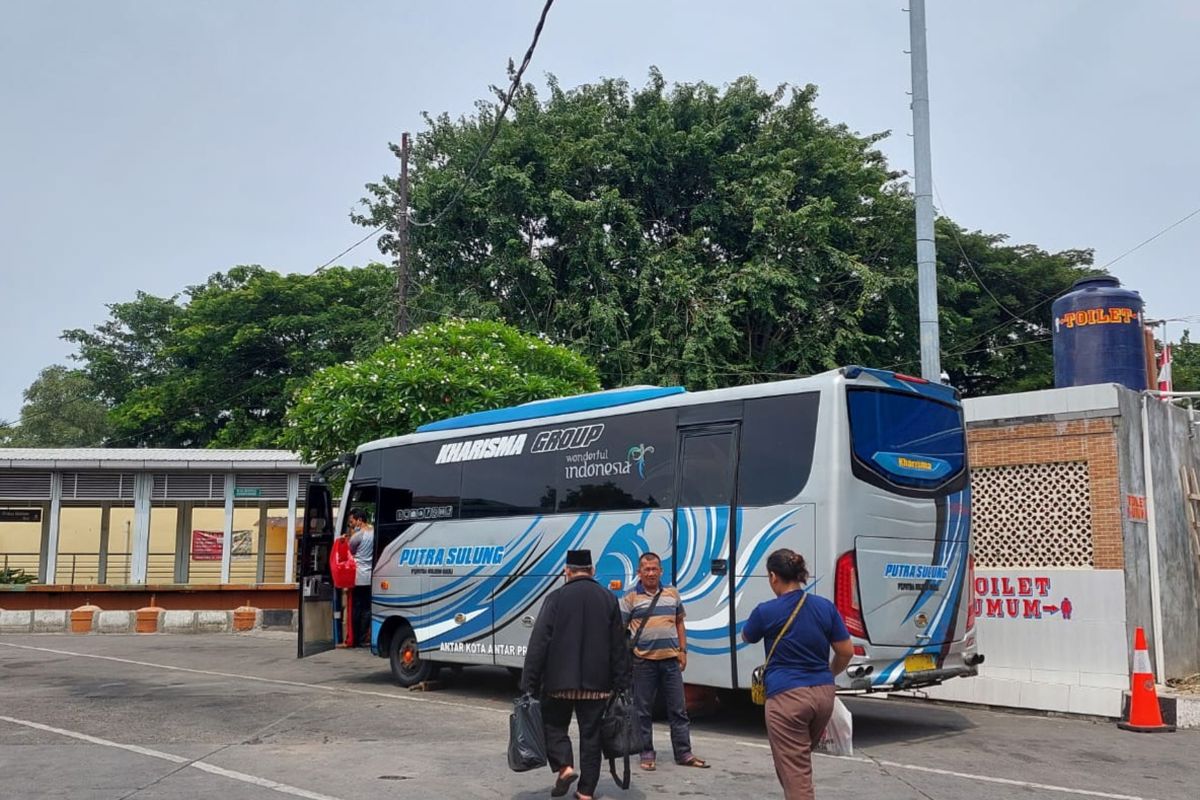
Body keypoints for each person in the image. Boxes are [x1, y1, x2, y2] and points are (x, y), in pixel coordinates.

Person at [742, 548, 854, 800]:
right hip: (824, 695)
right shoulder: (824, 607)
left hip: (787, 697)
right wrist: (829, 673)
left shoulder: (766, 610)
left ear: (773, 577)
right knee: (798, 764)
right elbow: (845, 651)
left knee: (796, 774)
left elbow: (747, 636)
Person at [521, 549, 631, 800]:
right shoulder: (608, 598)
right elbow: (618, 645)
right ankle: (585, 792)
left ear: (566, 572)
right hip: (597, 684)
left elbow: (539, 642)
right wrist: (622, 682)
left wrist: (528, 682)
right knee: (591, 736)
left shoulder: (555, 598)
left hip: (559, 682)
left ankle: (565, 766)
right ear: (592, 571)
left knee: (553, 725)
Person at [619, 552, 708, 771]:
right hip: (643, 662)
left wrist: (683, 651)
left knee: (678, 710)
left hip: (670, 661)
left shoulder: (672, 594)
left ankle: (684, 753)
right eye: (646, 569)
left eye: (654, 569)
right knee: (642, 711)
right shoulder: (630, 598)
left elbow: (679, 624)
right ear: (639, 573)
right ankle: (646, 752)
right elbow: (619, 631)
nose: (650, 573)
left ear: (661, 571)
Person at [345, 507, 374, 648]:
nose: (351, 524)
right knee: (367, 609)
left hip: (358, 576)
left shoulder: (358, 535)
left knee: (357, 609)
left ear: (360, 520)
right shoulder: (375, 532)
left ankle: (355, 639)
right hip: (371, 577)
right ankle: (364, 638)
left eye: (352, 521)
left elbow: (349, 551)